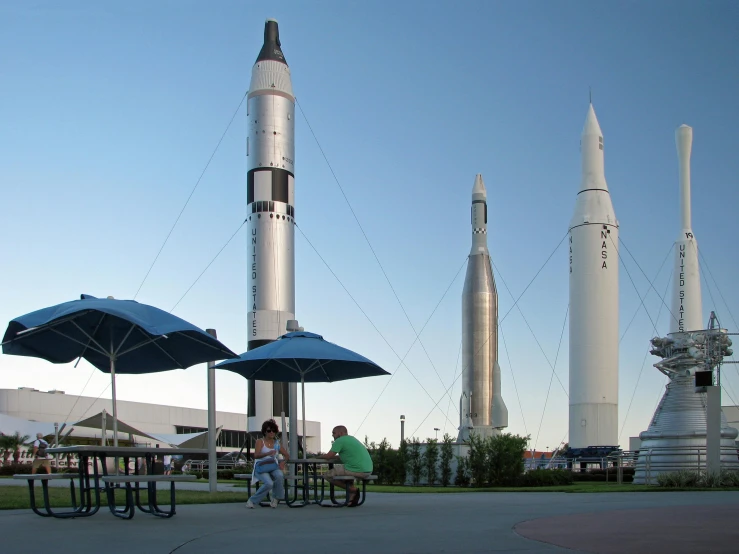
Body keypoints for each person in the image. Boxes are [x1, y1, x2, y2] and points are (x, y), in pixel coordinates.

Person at [317, 425, 372, 507]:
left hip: (356, 469)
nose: (333, 435)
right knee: (345, 475)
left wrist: (319, 457)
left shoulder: (339, 441)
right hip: (368, 470)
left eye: (334, 433)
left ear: (341, 433)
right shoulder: (352, 439)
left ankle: (353, 490)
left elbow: (329, 456)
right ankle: (351, 499)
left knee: (327, 475)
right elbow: (346, 456)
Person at [246, 419, 289, 509]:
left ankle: (276, 498)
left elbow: (286, 455)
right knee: (269, 483)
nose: (271, 433)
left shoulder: (277, 443)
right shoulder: (260, 441)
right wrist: (267, 453)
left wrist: (283, 463)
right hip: (262, 466)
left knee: (279, 475)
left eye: (273, 431)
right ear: (265, 432)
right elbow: (256, 455)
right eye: (269, 431)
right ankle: (252, 500)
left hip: (273, 466)